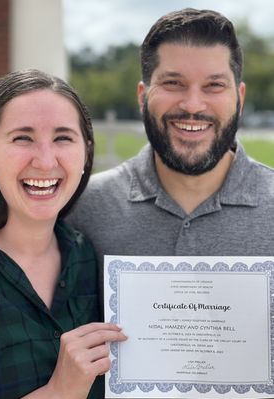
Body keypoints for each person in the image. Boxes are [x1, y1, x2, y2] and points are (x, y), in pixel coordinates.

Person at [69, 8, 274, 309]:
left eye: (214, 85)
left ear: (240, 99)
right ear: (142, 96)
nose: (192, 104)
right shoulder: (83, 207)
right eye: (173, 83)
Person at [0, 69, 126, 399]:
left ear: (86, 153)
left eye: (62, 138)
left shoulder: (89, 257)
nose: (45, 162)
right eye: (22, 138)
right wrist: (59, 392)